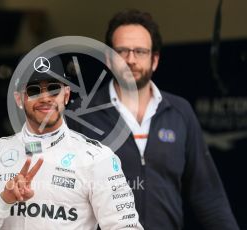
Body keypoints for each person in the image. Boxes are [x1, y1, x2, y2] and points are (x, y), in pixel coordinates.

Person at [66, 9, 239, 230]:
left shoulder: (179, 112)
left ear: (154, 60)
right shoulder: (81, 115)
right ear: (108, 58)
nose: (131, 59)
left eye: (140, 51)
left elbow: (208, 195)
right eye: (122, 51)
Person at [0, 54, 144, 229]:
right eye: (34, 90)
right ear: (19, 99)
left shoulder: (98, 158)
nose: (45, 98)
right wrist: (4, 200)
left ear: (66, 95)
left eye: (53, 89)